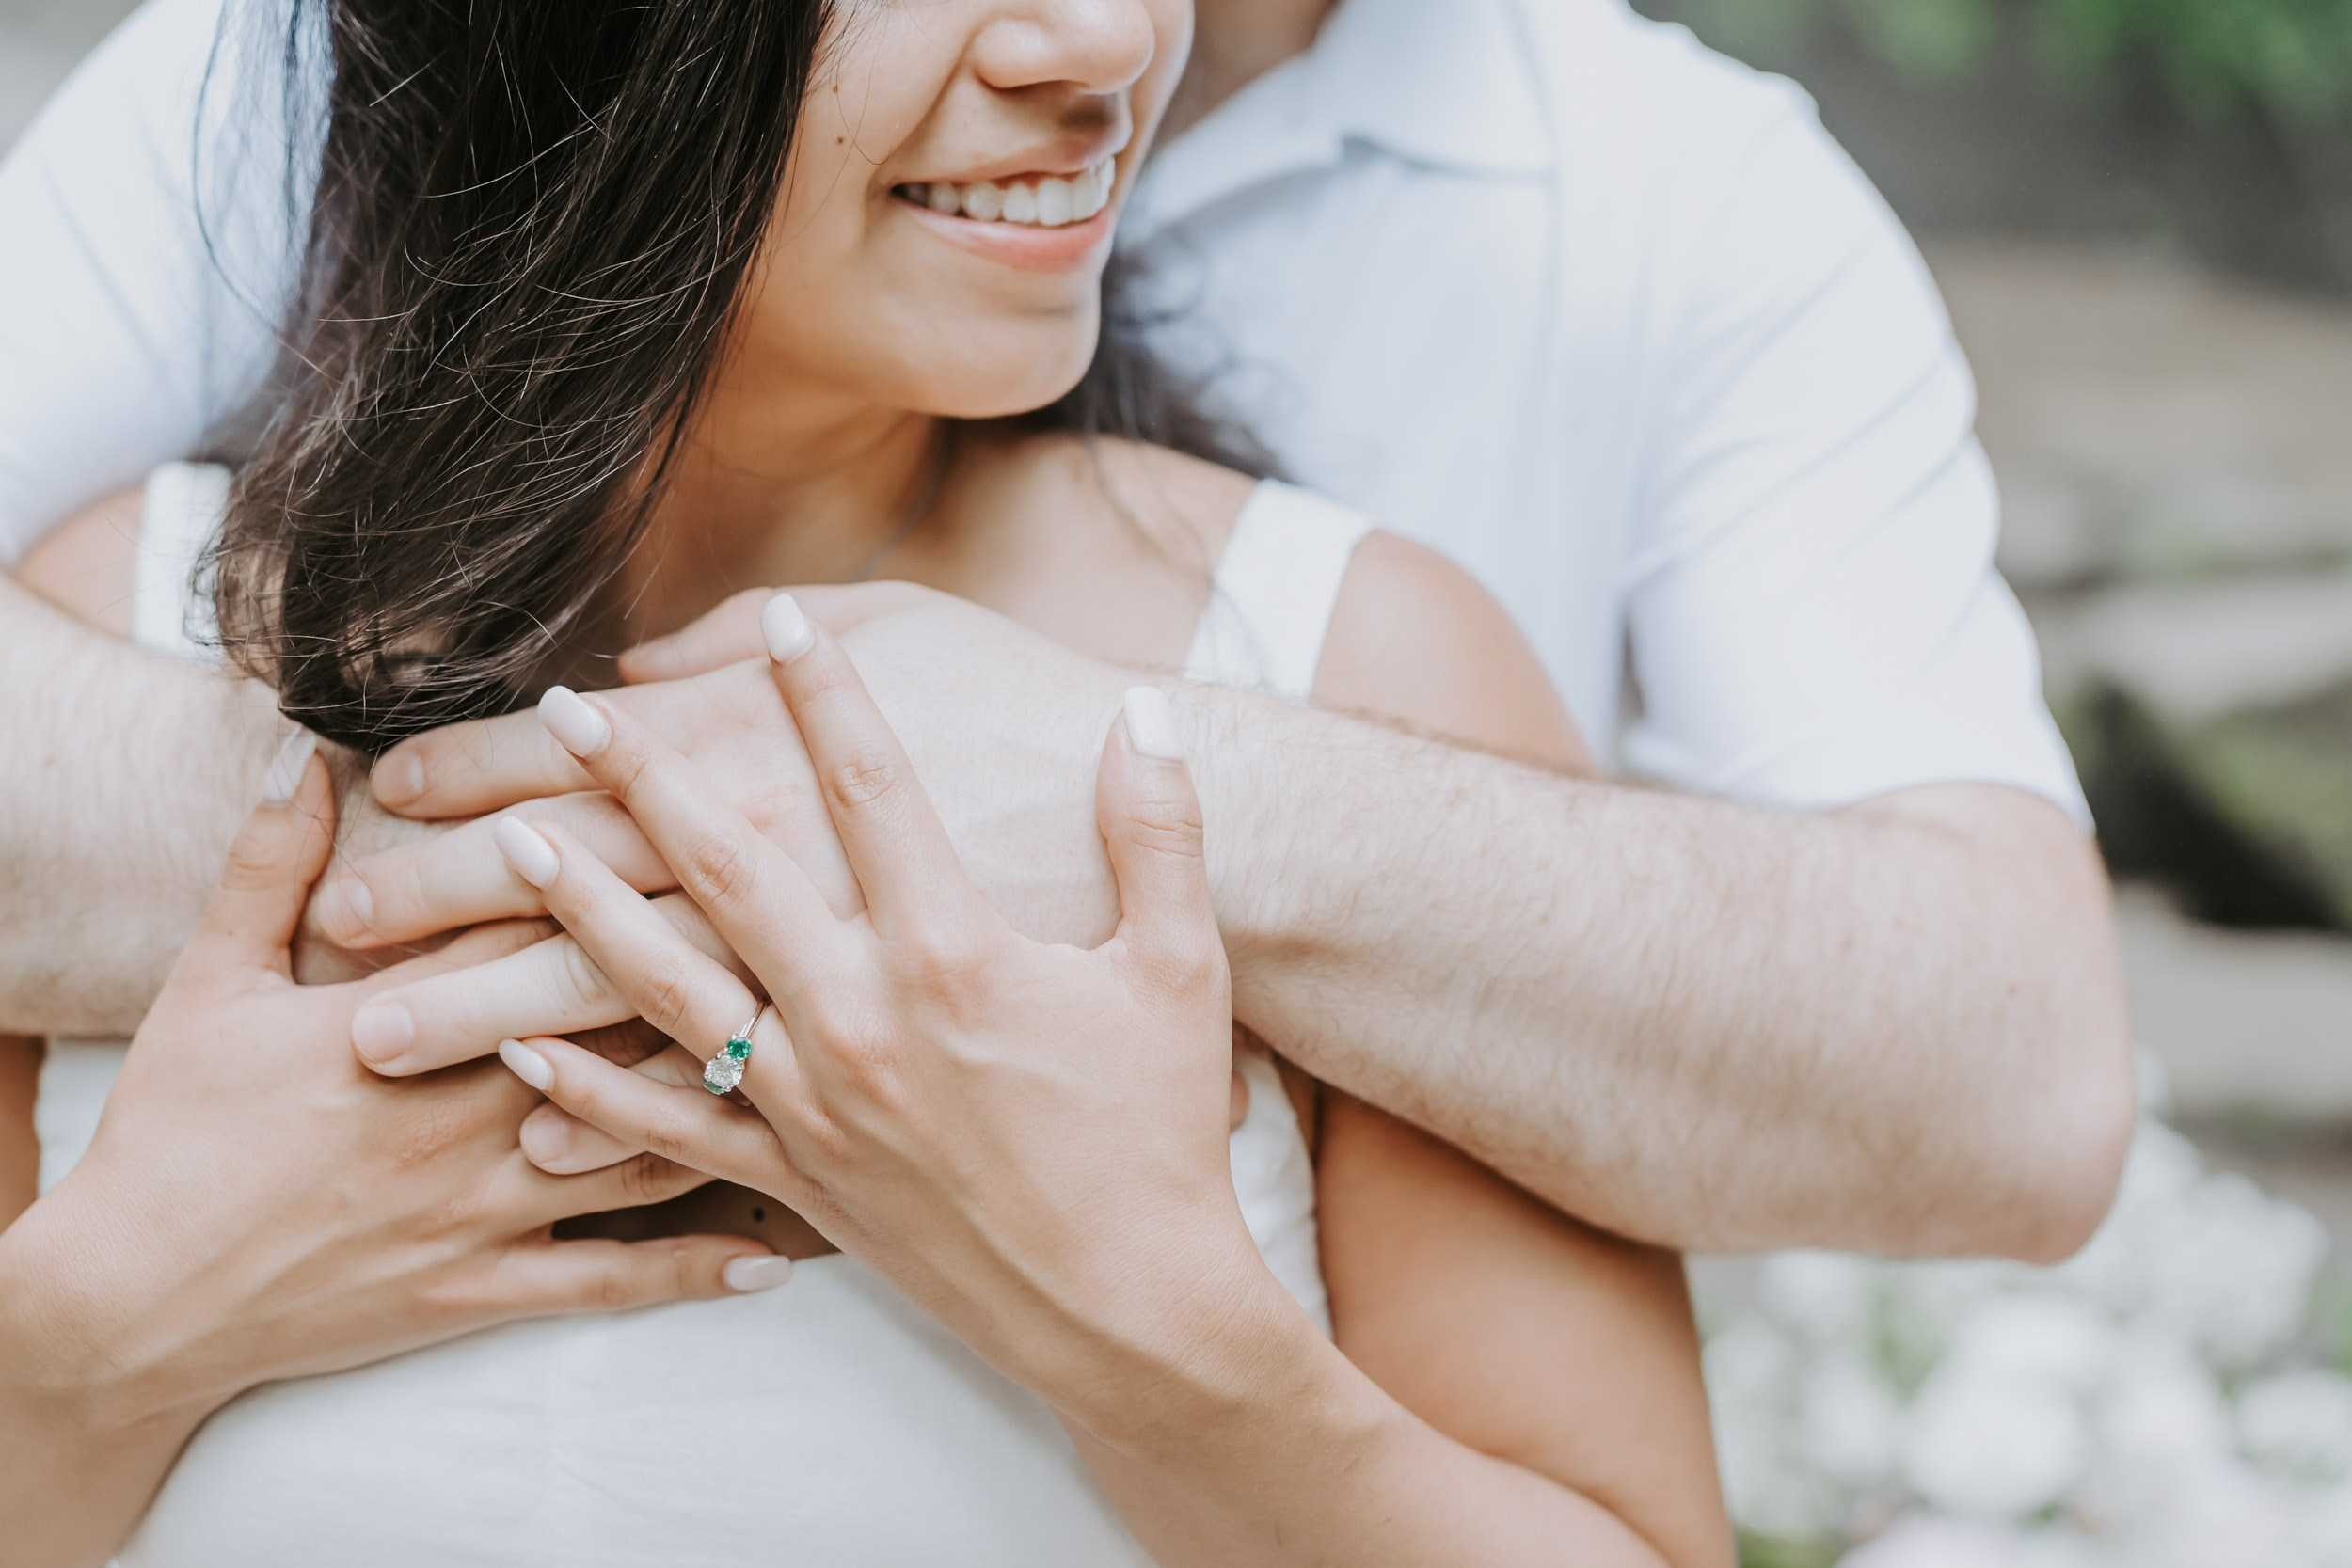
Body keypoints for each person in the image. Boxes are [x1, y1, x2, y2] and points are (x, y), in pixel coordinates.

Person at [0, 0, 2135, 1271]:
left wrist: (1160, 807)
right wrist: (747, 855)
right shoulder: (343, 58)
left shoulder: (1679, 203)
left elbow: (2012, 1079)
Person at [3, 0, 1730, 1561]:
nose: (1111, 41)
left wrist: (1158, 1354)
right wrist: (100, 1340)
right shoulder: (109, 635)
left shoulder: (1346, 665)